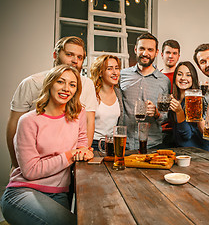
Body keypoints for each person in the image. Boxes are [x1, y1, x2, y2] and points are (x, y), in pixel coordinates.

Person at [1, 65, 94, 225]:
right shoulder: (29, 121)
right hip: (24, 191)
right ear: (50, 83)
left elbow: (82, 144)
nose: (66, 89)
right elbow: (30, 171)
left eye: (72, 85)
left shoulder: (78, 115)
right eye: (60, 82)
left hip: (59, 194)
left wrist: (84, 152)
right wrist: (70, 155)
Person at [7, 36, 97, 169]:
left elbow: (88, 124)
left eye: (80, 57)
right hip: (33, 162)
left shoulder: (87, 84)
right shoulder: (31, 83)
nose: (75, 61)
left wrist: (80, 156)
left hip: (69, 163)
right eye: (69, 54)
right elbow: (14, 125)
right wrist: (17, 165)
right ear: (55, 55)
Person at [120, 32, 171, 150]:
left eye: (150, 50)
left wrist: (156, 113)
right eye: (142, 48)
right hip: (124, 143)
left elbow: (165, 116)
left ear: (156, 52)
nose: (145, 53)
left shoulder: (164, 81)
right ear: (135, 49)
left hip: (152, 144)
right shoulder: (122, 75)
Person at [169, 61, 209, 150]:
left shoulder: (199, 101)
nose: (183, 78)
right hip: (180, 153)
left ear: (193, 78)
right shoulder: (174, 100)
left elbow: (186, 135)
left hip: (199, 154)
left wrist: (179, 112)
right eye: (180, 74)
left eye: (188, 75)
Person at [90, 55, 123, 151]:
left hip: (113, 145)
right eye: (109, 69)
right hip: (93, 144)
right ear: (100, 73)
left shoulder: (119, 93)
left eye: (117, 68)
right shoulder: (92, 94)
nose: (115, 72)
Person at [160, 39, 181, 147]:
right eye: (168, 52)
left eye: (174, 53)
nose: (171, 56)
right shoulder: (156, 77)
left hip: (179, 128)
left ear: (178, 56)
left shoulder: (182, 78)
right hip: (160, 130)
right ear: (162, 55)